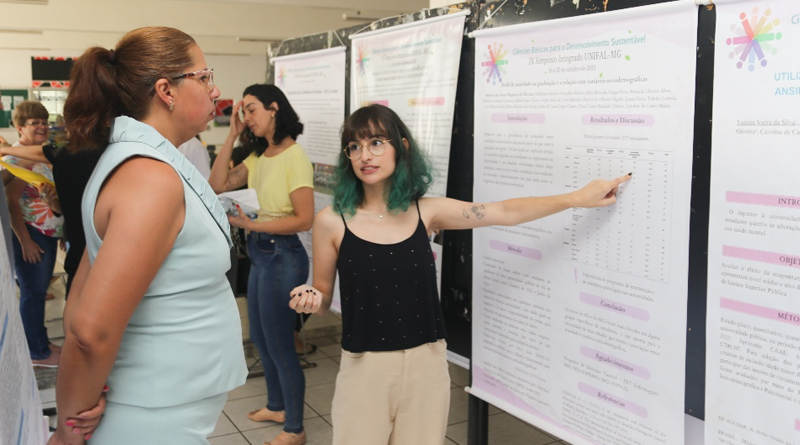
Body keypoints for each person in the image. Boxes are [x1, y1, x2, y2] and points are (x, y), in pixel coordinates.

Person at [288, 104, 632, 445]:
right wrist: (313, 300)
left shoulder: (427, 211)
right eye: (355, 146)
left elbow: (504, 211)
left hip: (427, 363)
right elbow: (323, 296)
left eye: (376, 142)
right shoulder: (332, 220)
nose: (365, 154)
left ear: (401, 147)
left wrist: (576, 198)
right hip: (364, 366)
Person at [47, 27, 247, 445]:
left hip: (164, 403)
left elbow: (82, 294)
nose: (216, 90)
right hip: (155, 414)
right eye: (205, 76)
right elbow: (88, 330)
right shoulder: (150, 178)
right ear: (166, 90)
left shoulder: (148, 163)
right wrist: (69, 429)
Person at [209, 84, 313, 445]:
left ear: (273, 109)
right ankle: (276, 405)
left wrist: (251, 224)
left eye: (251, 110)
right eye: (244, 112)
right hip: (260, 254)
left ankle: (295, 429)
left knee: (281, 343)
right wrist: (231, 134)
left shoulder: (294, 156)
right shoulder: (259, 156)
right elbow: (217, 184)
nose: (247, 118)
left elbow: (304, 219)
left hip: (283, 256)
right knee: (261, 339)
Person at [3, 100, 64, 368]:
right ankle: (35, 351)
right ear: (19, 128)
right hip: (32, 235)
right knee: (33, 292)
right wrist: (25, 241)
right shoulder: (17, 156)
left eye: (44, 121)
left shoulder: (39, 154)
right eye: (34, 122)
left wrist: (60, 226)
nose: (41, 126)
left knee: (38, 292)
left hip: (45, 233)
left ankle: (41, 341)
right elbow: (11, 201)